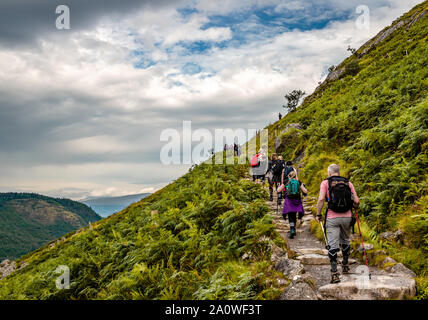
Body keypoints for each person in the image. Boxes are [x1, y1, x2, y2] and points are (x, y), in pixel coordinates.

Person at [316, 164, 360, 284]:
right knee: (345, 240)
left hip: (332, 217)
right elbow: (356, 201)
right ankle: (345, 265)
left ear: (329, 173)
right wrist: (354, 207)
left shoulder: (325, 183)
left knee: (333, 244)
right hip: (347, 217)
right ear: (339, 172)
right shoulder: (348, 183)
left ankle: (334, 273)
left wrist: (318, 214)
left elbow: (320, 200)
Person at [277, 170, 307, 239]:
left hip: (289, 200)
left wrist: (279, 187)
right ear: (296, 176)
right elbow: (305, 191)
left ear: (289, 176)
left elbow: (279, 190)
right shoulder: (299, 182)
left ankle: (292, 229)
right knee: (294, 214)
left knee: (290, 215)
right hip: (297, 200)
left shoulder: (286, 181)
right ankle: (294, 229)